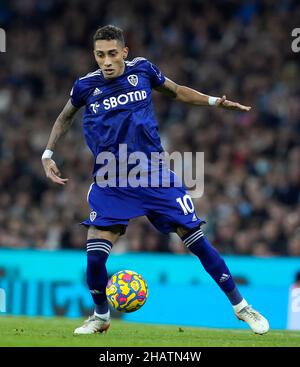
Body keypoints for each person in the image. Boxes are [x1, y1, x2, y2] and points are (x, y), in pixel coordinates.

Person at [41, 25, 269, 335]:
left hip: (155, 174)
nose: (105, 62)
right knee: (94, 258)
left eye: (111, 54)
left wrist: (216, 101)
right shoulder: (85, 86)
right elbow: (65, 116)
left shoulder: (143, 71)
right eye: (99, 55)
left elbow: (176, 91)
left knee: (197, 242)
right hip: (111, 181)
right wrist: (48, 153)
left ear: (124, 52)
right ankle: (100, 315)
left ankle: (243, 308)